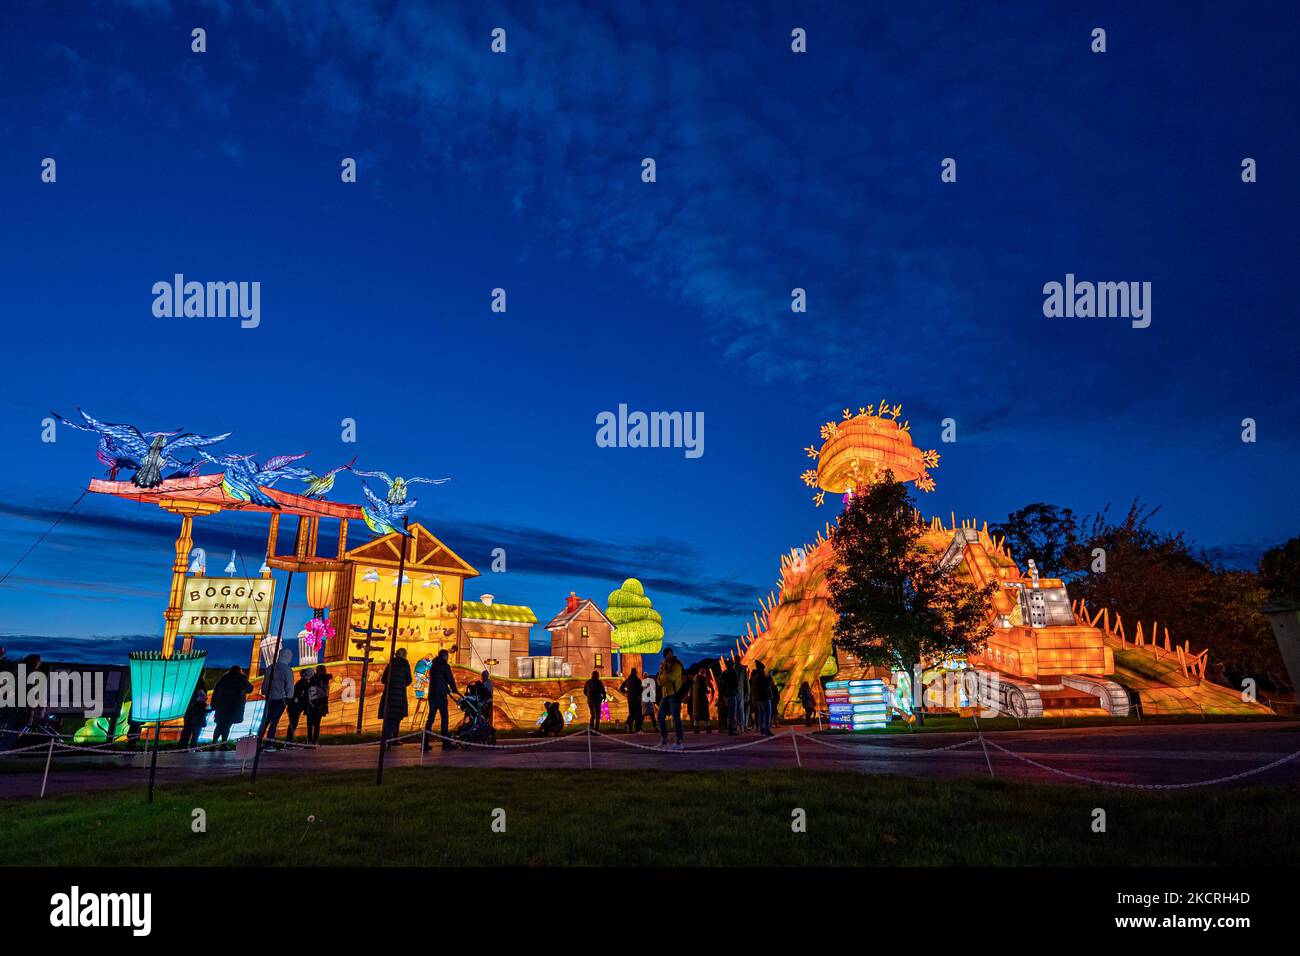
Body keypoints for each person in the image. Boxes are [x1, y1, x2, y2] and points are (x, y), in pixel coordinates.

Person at [1, 654, 42, 751]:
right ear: (35, 662)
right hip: (20, 709)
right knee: (13, 732)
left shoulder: (17, 671)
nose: (40, 663)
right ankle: (4, 752)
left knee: (7, 729)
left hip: (8, 706)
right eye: (39, 661)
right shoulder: (32, 675)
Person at [422, 649, 458, 752]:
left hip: (432, 695)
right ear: (445, 656)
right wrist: (454, 689)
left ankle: (425, 743)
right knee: (444, 719)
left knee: (430, 719)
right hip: (441, 696)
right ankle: (445, 743)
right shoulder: (445, 666)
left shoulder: (433, 666)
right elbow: (450, 679)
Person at [259, 646, 295, 747]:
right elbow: (289, 685)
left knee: (266, 720)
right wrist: (289, 696)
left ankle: (258, 740)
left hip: (270, 697)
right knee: (274, 721)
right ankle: (269, 742)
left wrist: (265, 692)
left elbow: (265, 683)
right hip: (281, 699)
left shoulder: (270, 667)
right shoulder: (287, 670)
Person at [210, 665, 254, 744]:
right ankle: (223, 744)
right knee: (227, 726)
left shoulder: (224, 678)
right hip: (234, 707)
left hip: (222, 707)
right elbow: (250, 689)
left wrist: (214, 704)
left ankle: (214, 743)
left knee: (219, 725)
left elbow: (216, 691)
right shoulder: (241, 678)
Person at [378, 647, 412, 749]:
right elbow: (409, 680)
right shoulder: (405, 665)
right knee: (397, 717)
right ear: (404, 655)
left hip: (389, 695)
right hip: (400, 695)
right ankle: (394, 739)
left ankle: (386, 739)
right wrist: (401, 684)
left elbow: (383, 680)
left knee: (388, 718)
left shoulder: (390, 664)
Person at [655, 647, 686, 750]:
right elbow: (658, 681)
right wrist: (664, 673)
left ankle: (679, 741)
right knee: (660, 716)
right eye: (666, 655)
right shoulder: (664, 667)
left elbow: (671, 677)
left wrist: (663, 675)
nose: (669, 656)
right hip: (665, 695)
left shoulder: (677, 665)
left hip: (675, 694)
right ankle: (664, 740)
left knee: (676, 717)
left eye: (670, 654)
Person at [304, 665, 332, 744]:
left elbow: (324, 691)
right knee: (310, 723)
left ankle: (314, 740)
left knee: (316, 723)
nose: (317, 671)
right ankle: (310, 740)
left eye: (319, 670)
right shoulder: (314, 678)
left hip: (319, 704)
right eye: (317, 670)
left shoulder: (324, 678)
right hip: (312, 703)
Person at [177, 677, 209, 749]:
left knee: (187, 729)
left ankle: (182, 747)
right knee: (196, 730)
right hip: (197, 710)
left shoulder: (188, 681)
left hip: (188, 709)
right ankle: (192, 747)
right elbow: (202, 696)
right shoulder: (200, 682)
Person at [286, 668, 313, 742]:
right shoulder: (302, 683)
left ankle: (289, 741)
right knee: (293, 723)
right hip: (295, 707)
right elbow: (301, 695)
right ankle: (288, 742)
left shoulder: (302, 682)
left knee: (293, 723)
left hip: (296, 706)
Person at [619, 668, 644, 733]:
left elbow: (621, 688)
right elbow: (640, 690)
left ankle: (628, 725)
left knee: (631, 714)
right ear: (636, 672)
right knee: (638, 714)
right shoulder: (637, 680)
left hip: (630, 699)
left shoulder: (627, 680)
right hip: (637, 699)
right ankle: (637, 728)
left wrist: (626, 692)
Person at [753, 661, 773, 736]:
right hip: (765, 698)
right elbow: (767, 685)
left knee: (761, 714)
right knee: (767, 714)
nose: (764, 671)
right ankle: (766, 729)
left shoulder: (756, 678)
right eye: (762, 669)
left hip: (759, 699)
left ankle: (762, 729)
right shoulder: (763, 678)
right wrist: (769, 677)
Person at [691, 665, 713, 733]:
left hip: (695, 700)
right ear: (704, 673)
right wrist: (709, 691)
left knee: (696, 716)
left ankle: (696, 729)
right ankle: (708, 729)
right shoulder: (702, 679)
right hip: (702, 700)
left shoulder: (694, 679)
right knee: (706, 715)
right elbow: (705, 690)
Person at [734, 661, 750, 733]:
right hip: (737, 693)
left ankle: (740, 727)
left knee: (738, 711)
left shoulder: (739, 669)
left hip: (738, 693)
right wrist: (747, 693)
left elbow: (746, 682)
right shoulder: (736, 669)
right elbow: (746, 683)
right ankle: (739, 727)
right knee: (739, 711)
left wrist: (747, 693)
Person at [640, 668, 657, 732]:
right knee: (651, 714)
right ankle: (655, 727)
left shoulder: (642, 683)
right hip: (648, 700)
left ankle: (640, 727)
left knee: (644, 715)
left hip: (645, 700)